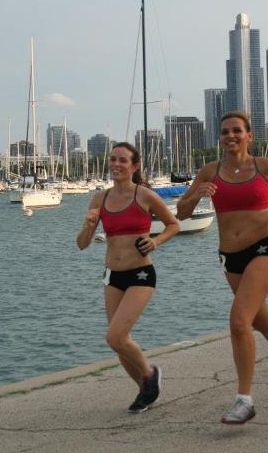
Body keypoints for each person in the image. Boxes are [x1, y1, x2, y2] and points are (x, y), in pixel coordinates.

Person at [176, 111, 268, 424]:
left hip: (263, 248)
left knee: (238, 322)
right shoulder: (210, 171)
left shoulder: (266, 166)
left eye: (237, 130)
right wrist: (197, 195)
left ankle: (244, 401)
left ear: (249, 136)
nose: (230, 136)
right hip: (229, 257)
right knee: (259, 319)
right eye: (225, 132)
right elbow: (180, 213)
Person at [77, 142, 180, 413]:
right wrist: (89, 225)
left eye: (123, 160)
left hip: (141, 274)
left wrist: (156, 242)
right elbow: (82, 244)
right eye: (113, 159)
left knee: (116, 336)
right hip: (112, 276)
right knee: (119, 343)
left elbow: (173, 225)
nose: (116, 164)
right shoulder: (100, 199)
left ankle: (149, 374)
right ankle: (145, 391)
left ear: (134, 166)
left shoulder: (145, 196)